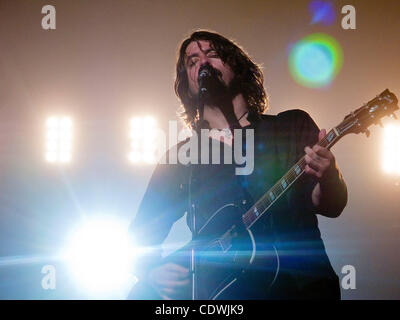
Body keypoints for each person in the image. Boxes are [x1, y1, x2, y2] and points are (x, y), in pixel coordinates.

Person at [128, 30, 347, 300]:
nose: (203, 64)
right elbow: (140, 233)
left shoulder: (290, 125)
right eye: (192, 62)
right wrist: (150, 272)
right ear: (188, 83)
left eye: (213, 55)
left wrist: (329, 176)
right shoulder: (182, 158)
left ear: (237, 67)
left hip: (301, 288)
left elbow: (329, 205)